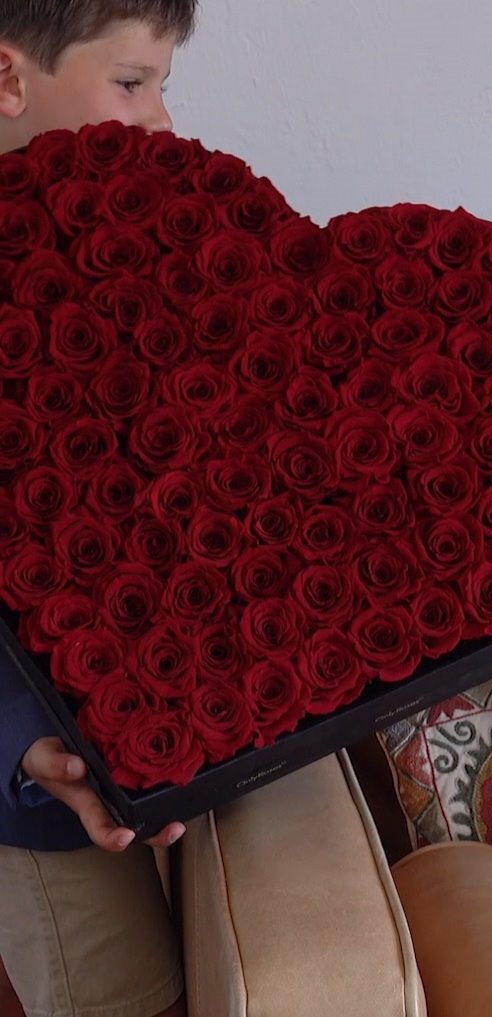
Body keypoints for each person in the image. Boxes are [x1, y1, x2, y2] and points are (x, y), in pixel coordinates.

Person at [0, 5, 199, 1016]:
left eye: (166, 86)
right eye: (131, 83)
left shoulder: (108, 257)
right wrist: (15, 748)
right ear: (7, 76)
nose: (160, 122)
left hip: (141, 765)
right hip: (37, 800)